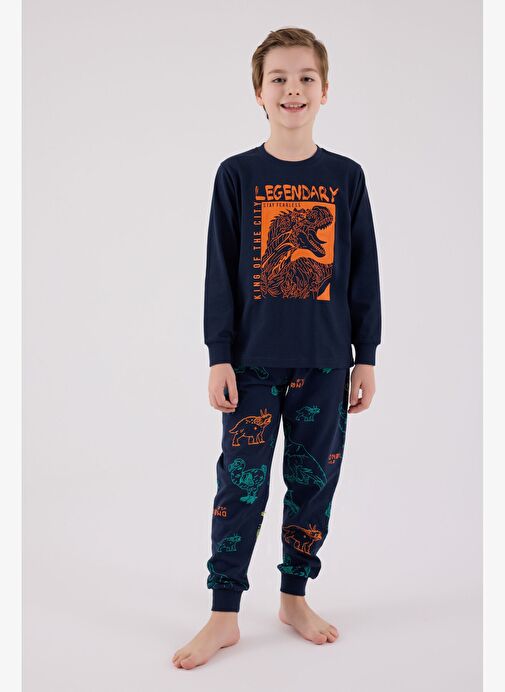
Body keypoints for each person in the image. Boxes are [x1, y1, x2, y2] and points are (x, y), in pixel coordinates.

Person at [172, 26, 382, 669]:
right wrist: (218, 354)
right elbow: (218, 271)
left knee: (312, 483)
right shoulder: (237, 175)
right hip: (252, 362)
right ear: (258, 93)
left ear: (326, 89)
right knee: (241, 485)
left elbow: (363, 272)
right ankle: (224, 614)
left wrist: (366, 354)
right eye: (279, 79)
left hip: (326, 360)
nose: (293, 89)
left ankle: (294, 597)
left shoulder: (345, 177)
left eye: (306, 78)